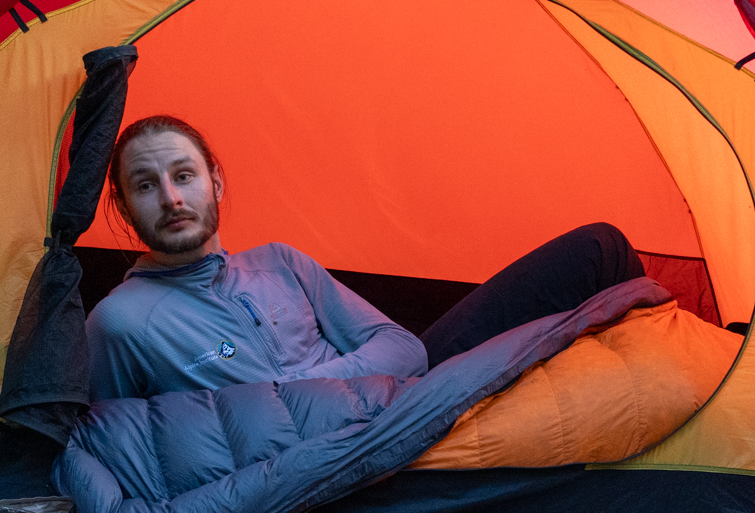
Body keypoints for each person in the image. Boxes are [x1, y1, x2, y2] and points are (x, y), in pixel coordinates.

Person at [86, 115, 645, 401]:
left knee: (599, 249)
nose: (173, 198)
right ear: (123, 206)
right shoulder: (121, 321)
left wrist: (300, 389)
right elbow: (125, 437)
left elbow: (404, 349)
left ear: (216, 180)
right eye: (145, 185)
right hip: (357, 438)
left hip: (408, 395)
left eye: (184, 176)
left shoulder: (280, 262)